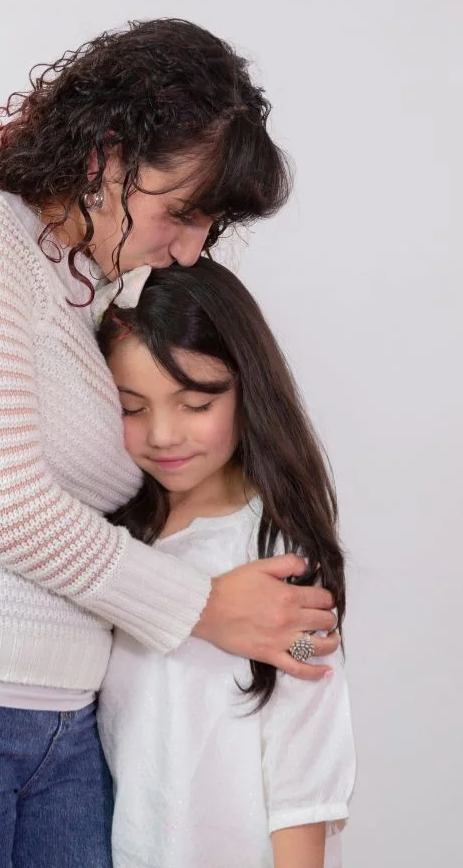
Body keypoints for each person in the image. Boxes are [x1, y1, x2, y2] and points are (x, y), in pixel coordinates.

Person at [0, 18, 341, 868]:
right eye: (186, 210)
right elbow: (6, 502)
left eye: (213, 224)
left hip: (62, 718)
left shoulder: (85, 289)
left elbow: (87, 491)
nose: (193, 247)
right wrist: (207, 608)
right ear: (107, 156)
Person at [94, 258, 355, 868]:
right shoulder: (110, 548)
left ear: (246, 388)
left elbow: (304, 756)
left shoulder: (277, 558)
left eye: (194, 403)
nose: (163, 434)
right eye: (132, 407)